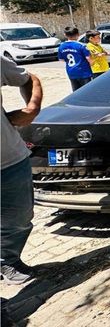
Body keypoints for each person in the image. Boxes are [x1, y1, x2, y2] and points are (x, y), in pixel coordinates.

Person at [1, 57, 43, 284]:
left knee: (19, 218)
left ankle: (7, 259)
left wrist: (32, 108)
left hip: (9, 160)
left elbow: (29, 79)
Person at [58, 27, 93, 91]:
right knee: (87, 91)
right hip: (83, 72)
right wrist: (92, 64)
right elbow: (88, 58)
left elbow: (61, 59)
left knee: (76, 91)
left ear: (65, 35)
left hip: (71, 72)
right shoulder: (81, 45)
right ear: (78, 34)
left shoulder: (61, 46)